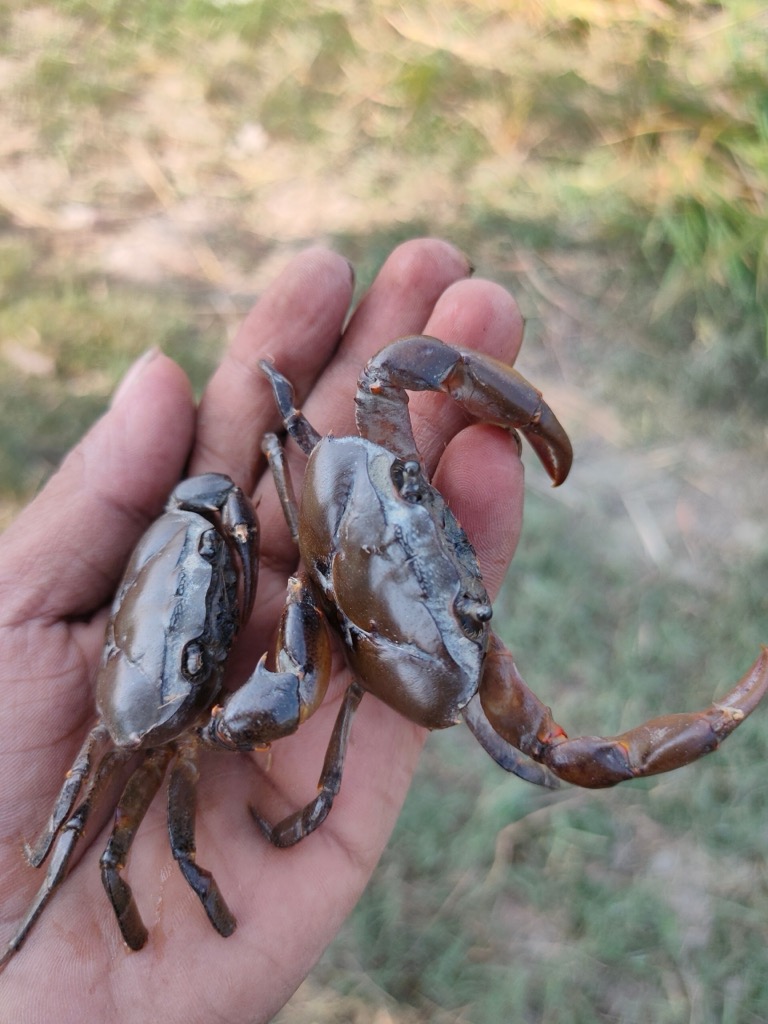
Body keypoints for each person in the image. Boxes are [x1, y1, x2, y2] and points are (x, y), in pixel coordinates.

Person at [0, 239, 530, 1023]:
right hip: (153, 712)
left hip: (201, 550)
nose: (218, 639)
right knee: (139, 852)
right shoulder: (133, 744)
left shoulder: (205, 520)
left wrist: (228, 538)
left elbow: (213, 511)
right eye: (201, 655)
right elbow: (114, 858)